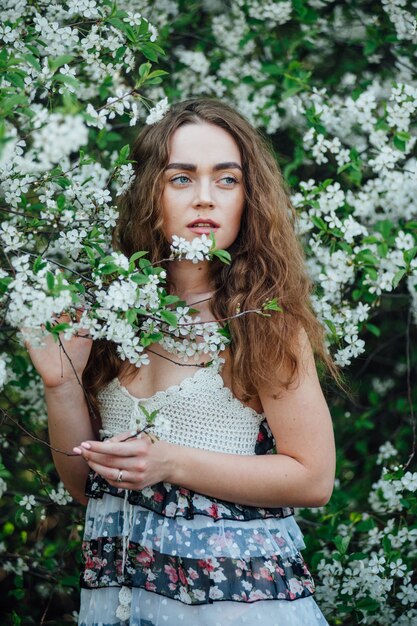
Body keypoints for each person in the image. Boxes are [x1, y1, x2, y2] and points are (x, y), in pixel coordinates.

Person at [27, 98, 341, 625]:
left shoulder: (263, 321)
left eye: (226, 180)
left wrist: (171, 463)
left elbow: (313, 479)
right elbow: (86, 486)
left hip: (233, 603)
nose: (204, 198)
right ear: (149, 191)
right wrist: (60, 387)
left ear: (248, 196)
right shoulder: (110, 314)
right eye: (180, 178)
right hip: (122, 599)